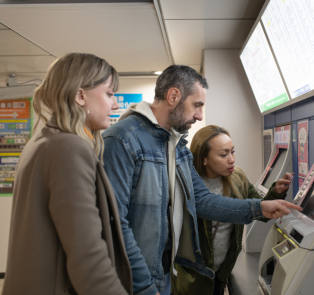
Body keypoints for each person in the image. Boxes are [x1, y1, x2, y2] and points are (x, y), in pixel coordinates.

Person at [101, 65, 301, 295]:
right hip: (135, 281)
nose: (199, 115)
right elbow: (114, 222)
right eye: (197, 105)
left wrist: (260, 207)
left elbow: (202, 200)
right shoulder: (123, 139)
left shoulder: (175, 146)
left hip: (162, 274)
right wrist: (144, 285)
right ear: (173, 96)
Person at [3, 53, 132, 295]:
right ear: (80, 95)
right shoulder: (69, 148)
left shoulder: (43, 142)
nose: (115, 105)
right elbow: (88, 257)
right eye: (109, 94)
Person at [171, 125, 293, 295]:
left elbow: (262, 211)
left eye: (232, 152)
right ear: (203, 158)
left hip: (221, 274)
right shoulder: (186, 185)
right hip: (191, 278)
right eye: (223, 154)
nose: (231, 159)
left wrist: (276, 192)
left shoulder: (237, 178)